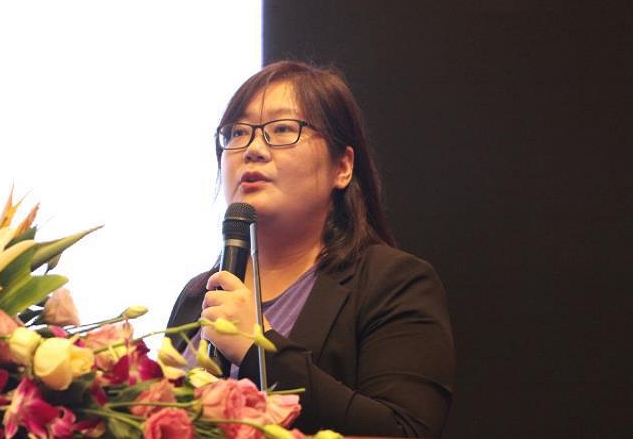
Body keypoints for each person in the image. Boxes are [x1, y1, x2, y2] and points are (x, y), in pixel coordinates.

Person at [167, 60, 455, 437]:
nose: (252, 149)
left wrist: (258, 348)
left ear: (342, 167)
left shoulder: (394, 283)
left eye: (282, 129)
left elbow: (406, 430)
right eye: (237, 133)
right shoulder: (198, 296)